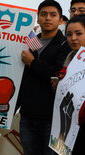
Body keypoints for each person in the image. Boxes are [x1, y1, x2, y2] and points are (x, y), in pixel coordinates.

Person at [16, 1, 71, 154]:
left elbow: (57, 73)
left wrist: (32, 62)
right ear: (37, 18)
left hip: (54, 119)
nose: (48, 18)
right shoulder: (30, 42)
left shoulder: (65, 45)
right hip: (27, 115)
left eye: (53, 15)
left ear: (60, 20)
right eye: (43, 14)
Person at [57, 14, 85, 155]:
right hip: (67, 129)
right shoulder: (69, 59)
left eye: (78, 33)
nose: (73, 38)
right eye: (69, 34)